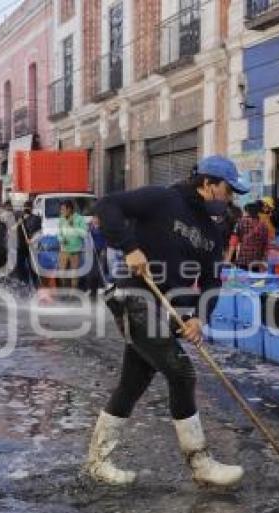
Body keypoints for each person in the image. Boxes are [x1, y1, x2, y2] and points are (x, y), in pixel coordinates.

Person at [87, 155, 250, 487]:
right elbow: (107, 206)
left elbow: (211, 281)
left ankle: (98, 461)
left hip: (166, 309)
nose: (230, 198)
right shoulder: (163, 199)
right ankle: (200, 462)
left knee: (132, 384)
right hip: (134, 297)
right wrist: (129, 247)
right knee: (181, 373)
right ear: (207, 184)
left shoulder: (211, 231)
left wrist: (198, 318)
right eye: (228, 190)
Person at [57, 200, 87, 289]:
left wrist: (73, 226)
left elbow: (84, 233)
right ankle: (65, 291)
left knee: (74, 274)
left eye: (63, 209)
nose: (61, 211)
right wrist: (61, 239)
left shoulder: (79, 219)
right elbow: (59, 233)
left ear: (69, 209)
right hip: (64, 250)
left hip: (75, 251)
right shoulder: (61, 219)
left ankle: (73, 294)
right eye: (61, 210)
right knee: (62, 273)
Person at [236, 203, 269, 271]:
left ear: (247, 211)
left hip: (244, 257)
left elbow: (238, 237)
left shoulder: (241, 222)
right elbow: (265, 242)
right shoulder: (263, 225)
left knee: (243, 278)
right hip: (256, 259)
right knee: (254, 279)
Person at [16, 200, 42, 288]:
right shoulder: (19, 218)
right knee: (20, 267)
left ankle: (36, 286)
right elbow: (11, 230)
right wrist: (18, 224)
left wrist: (32, 240)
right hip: (21, 247)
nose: (26, 209)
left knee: (33, 268)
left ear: (32, 208)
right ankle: (24, 285)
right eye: (25, 207)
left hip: (31, 247)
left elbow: (39, 233)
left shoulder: (36, 219)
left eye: (28, 207)